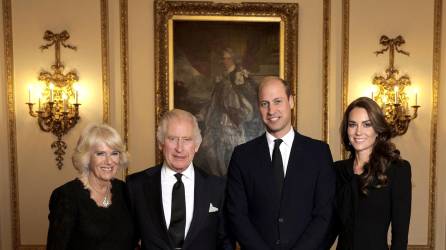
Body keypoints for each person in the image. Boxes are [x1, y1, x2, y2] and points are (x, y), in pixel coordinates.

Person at [225, 76, 336, 249]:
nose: (271, 110)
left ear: (291, 101)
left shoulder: (319, 153)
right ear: (258, 108)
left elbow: (325, 214)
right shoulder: (242, 156)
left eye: (278, 101)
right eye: (264, 104)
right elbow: (237, 215)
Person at [126, 109, 234, 250]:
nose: (179, 148)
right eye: (172, 139)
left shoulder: (217, 187)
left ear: (196, 145)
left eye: (187, 140)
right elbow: (125, 239)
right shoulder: (136, 185)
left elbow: (225, 241)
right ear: (160, 143)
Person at [328, 97, 412, 250]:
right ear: (346, 130)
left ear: (378, 130)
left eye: (367, 124)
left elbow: (400, 237)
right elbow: (330, 226)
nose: (358, 132)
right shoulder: (337, 170)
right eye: (353, 125)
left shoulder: (397, 169)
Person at [46, 124, 134, 250]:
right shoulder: (67, 196)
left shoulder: (125, 190)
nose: (109, 161)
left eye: (114, 153)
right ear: (86, 157)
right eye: (100, 154)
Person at [196, 48, 263, 176]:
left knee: (233, 149)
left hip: (233, 118)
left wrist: (237, 88)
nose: (224, 61)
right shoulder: (222, 78)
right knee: (214, 150)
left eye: (226, 58)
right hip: (220, 119)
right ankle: (221, 177)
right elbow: (214, 99)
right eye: (223, 58)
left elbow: (247, 97)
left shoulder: (240, 75)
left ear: (233, 59)